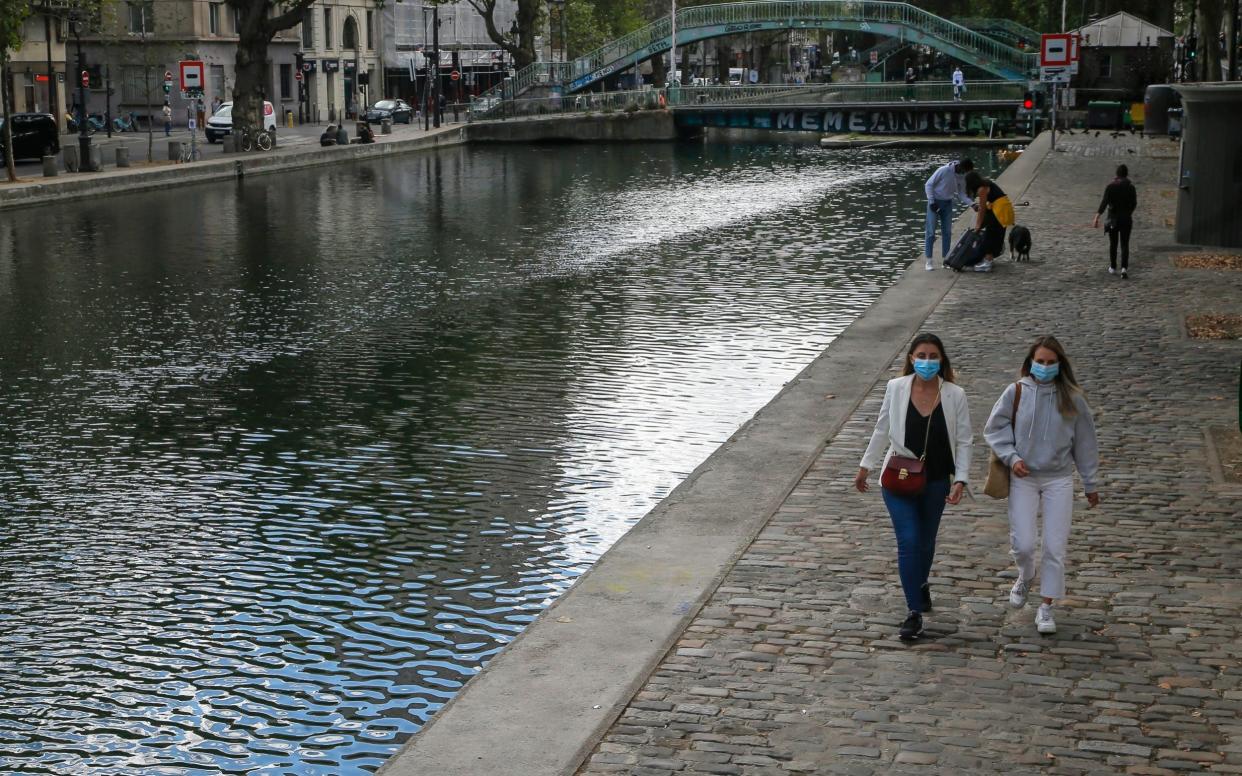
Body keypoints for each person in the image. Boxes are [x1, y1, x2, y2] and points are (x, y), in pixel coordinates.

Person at [855, 333, 972, 642]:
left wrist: (960, 478)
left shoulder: (954, 395)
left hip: (935, 479)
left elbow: (963, 440)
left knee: (925, 541)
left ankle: (919, 584)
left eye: (934, 356)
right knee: (909, 539)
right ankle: (914, 612)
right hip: (899, 477)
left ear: (942, 360)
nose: (928, 361)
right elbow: (882, 427)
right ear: (910, 358)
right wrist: (865, 466)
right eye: (922, 355)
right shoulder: (896, 388)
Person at [984, 336, 1099, 636]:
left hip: (1058, 478)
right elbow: (994, 428)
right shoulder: (1016, 391)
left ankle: (1046, 606)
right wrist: (1011, 457)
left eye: (1050, 362)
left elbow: (1086, 443)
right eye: (1040, 361)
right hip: (1024, 477)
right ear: (1031, 362)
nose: (1045, 367)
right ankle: (1026, 574)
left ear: (1060, 364)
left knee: (1054, 546)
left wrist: (1090, 482)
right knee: (1022, 543)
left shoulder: (1073, 398)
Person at [923, 158, 975, 271]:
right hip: (935, 202)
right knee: (931, 232)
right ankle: (929, 261)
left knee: (947, 232)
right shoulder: (944, 170)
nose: (965, 174)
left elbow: (961, 194)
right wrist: (931, 201)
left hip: (947, 203)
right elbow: (928, 184)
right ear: (960, 167)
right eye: (965, 171)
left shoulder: (962, 176)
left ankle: (946, 260)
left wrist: (972, 204)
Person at [1092, 163, 1137, 279]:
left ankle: (1113, 266)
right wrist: (1128, 212)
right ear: (1126, 175)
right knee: (1125, 244)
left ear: (1117, 174)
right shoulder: (1131, 187)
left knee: (1113, 243)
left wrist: (1097, 217)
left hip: (1113, 219)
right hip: (1126, 219)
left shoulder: (1111, 187)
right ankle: (1124, 268)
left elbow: (1104, 202)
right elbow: (1134, 204)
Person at [963, 170, 1008, 273]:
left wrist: (978, 225)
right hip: (1002, 209)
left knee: (990, 235)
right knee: (994, 234)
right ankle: (989, 259)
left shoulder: (981, 189)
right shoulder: (986, 184)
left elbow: (982, 209)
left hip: (999, 211)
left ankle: (987, 263)